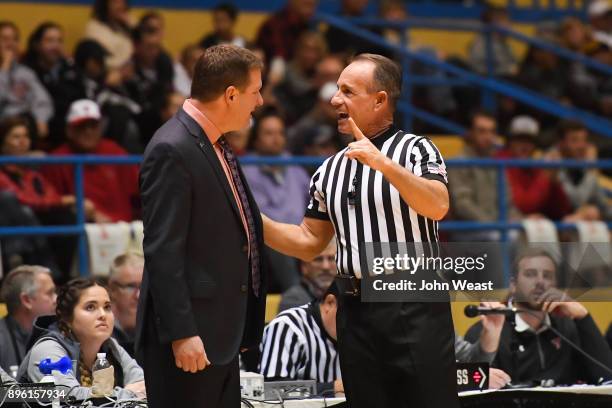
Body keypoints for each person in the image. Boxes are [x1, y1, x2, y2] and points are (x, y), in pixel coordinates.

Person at [262, 53, 458, 408]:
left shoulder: (416, 149)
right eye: (337, 90)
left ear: (380, 100)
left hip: (412, 303)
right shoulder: (328, 169)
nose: (335, 99)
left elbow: (438, 205)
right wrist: (249, 217)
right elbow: (309, 242)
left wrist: (380, 161)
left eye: (348, 91)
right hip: (354, 308)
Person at [136, 44, 267, 408]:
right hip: (191, 337)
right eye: (255, 91)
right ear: (231, 94)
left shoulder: (213, 142)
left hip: (220, 332)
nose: (259, 101)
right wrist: (183, 333)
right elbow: (163, 250)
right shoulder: (173, 148)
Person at [465, 248, 612, 385]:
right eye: (530, 274)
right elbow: (471, 384)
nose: (540, 282)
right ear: (513, 284)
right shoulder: (488, 330)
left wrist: (583, 316)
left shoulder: (569, 328)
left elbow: (607, 378)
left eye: (547, 276)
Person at [17, 277, 145, 400]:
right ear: (67, 318)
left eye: (107, 307)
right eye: (90, 307)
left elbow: (143, 384)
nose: (102, 315)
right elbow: (68, 397)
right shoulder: (47, 349)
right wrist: (129, 394)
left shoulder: (110, 345)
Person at [243, 109, 311, 291]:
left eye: (280, 133)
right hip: (272, 236)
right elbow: (259, 214)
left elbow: (312, 199)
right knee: (277, 241)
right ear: (256, 138)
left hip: (302, 233)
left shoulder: (294, 165)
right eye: (269, 133)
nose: (276, 138)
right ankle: (297, 294)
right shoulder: (246, 168)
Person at [42, 99, 140, 223]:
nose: (88, 131)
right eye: (81, 127)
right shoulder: (57, 160)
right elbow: (50, 202)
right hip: (82, 231)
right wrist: (75, 206)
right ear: (69, 130)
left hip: (122, 229)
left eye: (93, 126)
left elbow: (140, 190)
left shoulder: (115, 151)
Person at [448, 110, 520, 239]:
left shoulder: (497, 164)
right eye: (482, 131)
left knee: (536, 233)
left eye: (491, 131)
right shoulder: (458, 163)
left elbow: (508, 204)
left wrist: (523, 221)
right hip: (468, 231)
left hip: (498, 227)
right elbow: (463, 205)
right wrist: (494, 224)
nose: (488, 137)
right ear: (469, 133)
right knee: (502, 237)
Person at [260, 287, 343, 396]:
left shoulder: (362, 337)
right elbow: (271, 389)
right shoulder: (288, 325)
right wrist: (331, 388)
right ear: (330, 303)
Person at [0, 21, 53, 140]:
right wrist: (4, 69)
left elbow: (43, 101)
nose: (11, 44)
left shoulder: (26, 73)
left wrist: (41, 119)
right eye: (5, 39)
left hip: (24, 129)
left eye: (15, 39)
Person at [0, 265, 56, 372]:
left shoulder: (58, 334)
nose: (56, 299)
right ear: (27, 300)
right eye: (50, 293)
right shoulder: (2, 342)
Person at [278, 240, 336, 312]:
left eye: (331, 258)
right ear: (304, 266)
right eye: (318, 259)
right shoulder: (292, 300)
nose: (326, 267)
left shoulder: (347, 295)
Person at [255, 0, 318, 65]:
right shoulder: (275, 25)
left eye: (313, 6)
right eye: (307, 5)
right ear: (293, 2)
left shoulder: (308, 26)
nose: (311, 11)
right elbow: (279, 58)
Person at [109, 252, 144, 357]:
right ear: (113, 289)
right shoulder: (101, 330)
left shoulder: (157, 327)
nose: (138, 295)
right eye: (131, 286)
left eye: (144, 287)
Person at [84, 0, 134, 69]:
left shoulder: (128, 23)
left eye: (123, 2)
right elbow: (101, 61)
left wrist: (131, 27)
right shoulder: (94, 27)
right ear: (105, 5)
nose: (121, 6)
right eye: (115, 2)